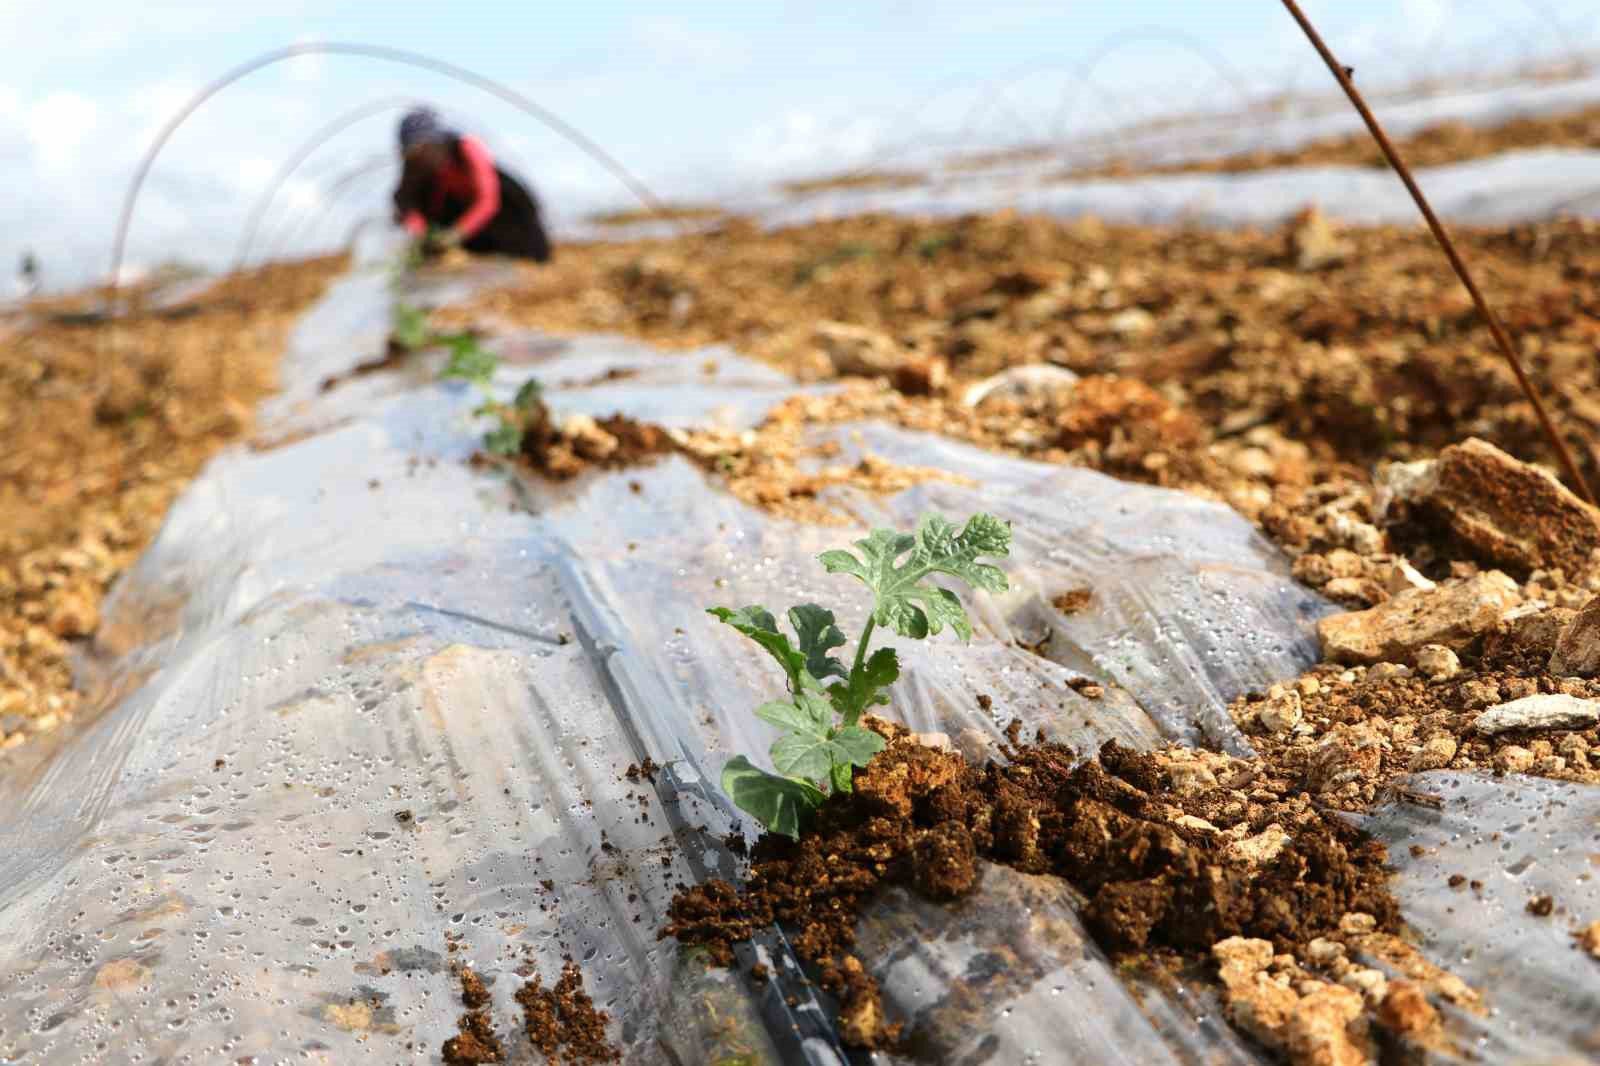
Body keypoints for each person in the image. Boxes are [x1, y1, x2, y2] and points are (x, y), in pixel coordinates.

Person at [392, 108, 552, 263]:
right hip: (457, 209)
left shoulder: (467, 147)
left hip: (503, 208)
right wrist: (423, 234)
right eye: (415, 152)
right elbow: (406, 203)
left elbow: (488, 200)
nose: (423, 156)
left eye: (426, 147)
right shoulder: (415, 166)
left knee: (533, 251)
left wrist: (457, 234)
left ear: (439, 140)